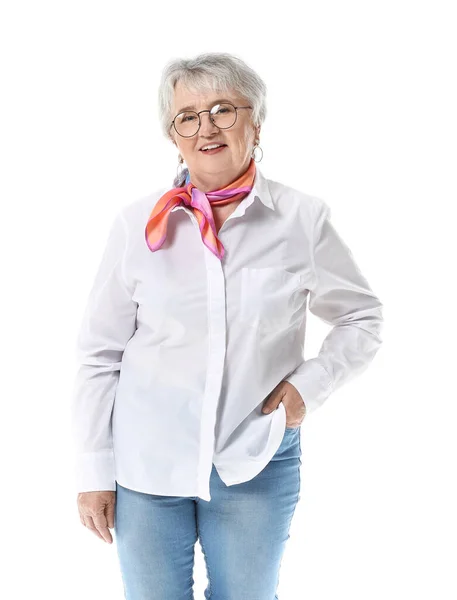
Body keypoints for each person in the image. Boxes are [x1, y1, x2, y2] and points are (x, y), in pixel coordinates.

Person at [71, 52, 384, 599]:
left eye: (223, 109)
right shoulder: (137, 225)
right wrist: (93, 469)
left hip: (254, 458)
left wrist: (306, 389)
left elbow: (361, 316)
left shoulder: (301, 219)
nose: (206, 127)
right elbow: (101, 354)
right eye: (187, 116)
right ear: (173, 135)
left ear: (255, 122)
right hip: (146, 464)